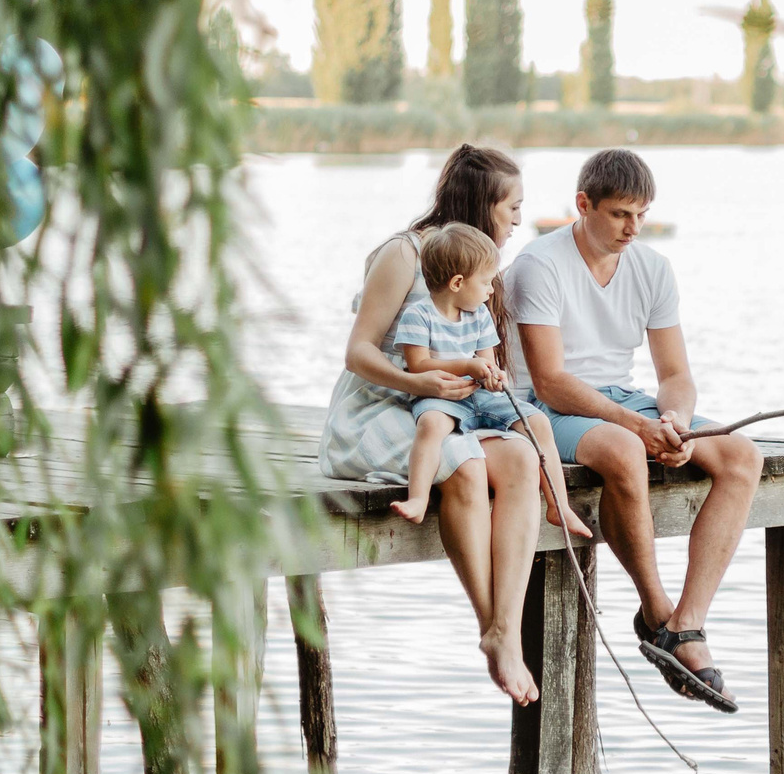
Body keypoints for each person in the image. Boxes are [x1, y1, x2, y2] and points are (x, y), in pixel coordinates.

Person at [322, 143, 584, 706]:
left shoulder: (479, 265)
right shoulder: (406, 254)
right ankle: (491, 626)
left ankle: (504, 630)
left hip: (451, 406)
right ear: (481, 202)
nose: (518, 220)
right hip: (383, 406)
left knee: (519, 459)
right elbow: (358, 353)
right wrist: (420, 384)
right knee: (464, 467)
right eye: (512, 207)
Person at [507, 148, 760, 712]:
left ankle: (686, 626)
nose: (634, 227)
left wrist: (673, 422)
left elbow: (674, 374)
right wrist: (636, 426)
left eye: (642, 214)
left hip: (624, 400)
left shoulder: (652, 268)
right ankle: (655, 611)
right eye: (621, 213)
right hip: (544, 411)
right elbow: (548, 381)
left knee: (742, 455)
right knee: (624, 447)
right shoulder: (538, 265)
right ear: (583, 204)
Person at [388, 223, 515, 526]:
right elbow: (418, 364)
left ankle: (558, 503)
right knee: (430, 426)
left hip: (476, 395)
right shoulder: (418, 315)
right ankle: (417, 498)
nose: (491, 289)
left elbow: (487, 363)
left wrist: (493, 377)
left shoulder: (480, 314)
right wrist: (467, 366)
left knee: (536, 421)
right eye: (486, 282)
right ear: (457, 283)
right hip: (438, 395)